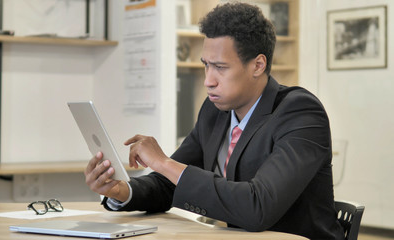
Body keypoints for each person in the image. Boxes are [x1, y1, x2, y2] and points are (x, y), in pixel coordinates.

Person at [84, 3, 344, 240]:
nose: (208, 79)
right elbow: (170, 185)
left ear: (258, 65)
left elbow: (258, 208)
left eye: (220, 67)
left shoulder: (300, 112)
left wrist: (164, 162)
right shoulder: (215, 111)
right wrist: (121, 191)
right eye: (206, 65)